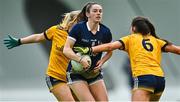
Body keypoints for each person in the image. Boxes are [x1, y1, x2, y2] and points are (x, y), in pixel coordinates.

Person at [74, 16, 180, 101]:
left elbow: (109, 46)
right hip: (160, 80)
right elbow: (177, 50)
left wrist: (89, 50)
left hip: (144, 78)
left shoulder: (130, 38)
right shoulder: (157, 41)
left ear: (133, 28)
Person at [3, 10, 80, 101]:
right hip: (56, 77)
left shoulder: (85, 37)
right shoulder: (57, 30)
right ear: (72, 21)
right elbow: (38, 37)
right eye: (81, 21)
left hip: (76, 79)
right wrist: (20, 41)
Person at [63, 2, 113, 101]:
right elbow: (66, 49)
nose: (98, 13)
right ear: (87, 14)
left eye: (100, 11)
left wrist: (102, 62)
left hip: (94, 73)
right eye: (95, 11)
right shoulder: (78, 28)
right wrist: (80, 59)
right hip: (76, 73)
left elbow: (109, 51)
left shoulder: (105, 31)